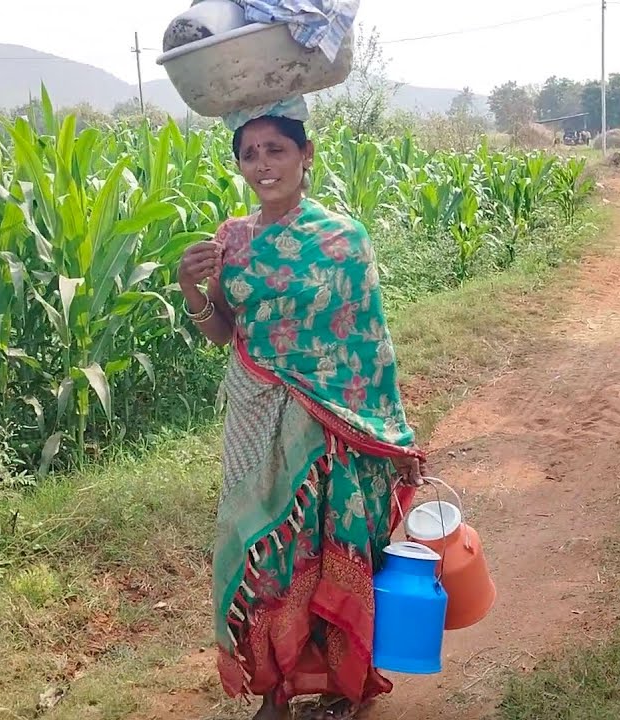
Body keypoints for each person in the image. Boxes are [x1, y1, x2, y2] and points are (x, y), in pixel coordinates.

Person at [177, 97, 426, 720]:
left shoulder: (343, 239)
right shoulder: (230, 238)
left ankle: (343, 687)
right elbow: (224, 330)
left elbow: (368, 342)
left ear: (306, 156)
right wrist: (191, 290)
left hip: (331, 420)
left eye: (276, 150)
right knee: (258, 547)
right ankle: (274, 690)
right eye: (250, 153)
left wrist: (385, 428)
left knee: (332, 548)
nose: (263, 165)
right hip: (256, 415)